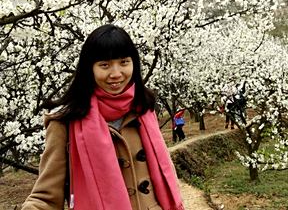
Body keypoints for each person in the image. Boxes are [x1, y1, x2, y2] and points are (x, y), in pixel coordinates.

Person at [22, 24, 184, 210]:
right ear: (89, 68)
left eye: (124, 62)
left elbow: (166, 172)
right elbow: (46, 196)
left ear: (134, 63)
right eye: (104, 65)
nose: (116, 74)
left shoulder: (143, 108)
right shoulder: (65, 121)